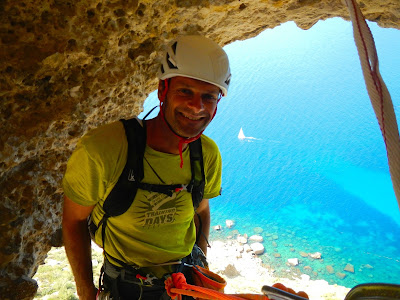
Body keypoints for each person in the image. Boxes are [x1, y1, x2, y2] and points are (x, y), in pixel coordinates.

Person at [62, 35, 231, 300]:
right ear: (163, 90)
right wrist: (86, 292)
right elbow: (74, 220)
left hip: (185, 283)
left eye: (208, 96)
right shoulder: (104, 149)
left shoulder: (206, 153)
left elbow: (201, 210)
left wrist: (201, 262)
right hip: (127, 288)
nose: (197, 106)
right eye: (185, 91)